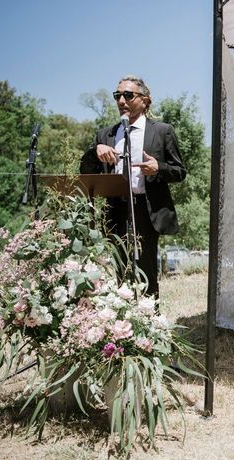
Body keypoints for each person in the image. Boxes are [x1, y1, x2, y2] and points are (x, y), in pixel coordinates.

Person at [80, 75, 186, 299]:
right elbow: (85, 171)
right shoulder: (106, 134)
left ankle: (149, 324)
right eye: (117, 95)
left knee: (146, 271)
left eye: (128, 95)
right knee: (119, 269)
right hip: (115, 209)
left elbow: (179, 171)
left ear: (145, 100)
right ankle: (122, 324)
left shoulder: (162, 131)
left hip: (146, 210)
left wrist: (159, 168)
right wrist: (95, 150)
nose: (121, 101)